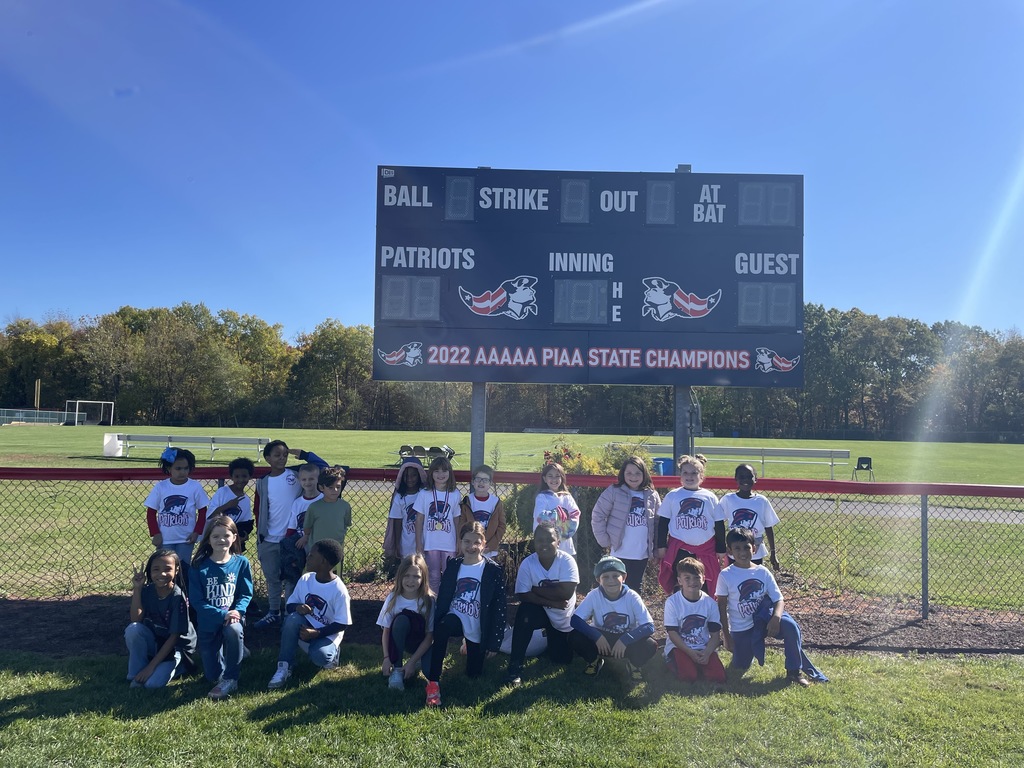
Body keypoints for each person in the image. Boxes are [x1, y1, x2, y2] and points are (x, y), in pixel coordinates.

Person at [716, 527, 820, 687]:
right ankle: (748, 650)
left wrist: (776, 618)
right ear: (729, 551)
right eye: (737, 548)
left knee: (791, 626)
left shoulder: (762, 572)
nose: (742, 552)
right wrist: (726, 635)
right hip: (742, 627)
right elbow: (721, 606)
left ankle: (794, 672)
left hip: (765, 620)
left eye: (746, 547)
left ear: (754, 548)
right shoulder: (726, 575)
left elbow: (778, 599)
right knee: (741, 665)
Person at [424, 522, 507, 706]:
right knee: (443, 628)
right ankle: (433, 683)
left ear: (484, 543)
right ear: (460, 543)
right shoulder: (453, 565)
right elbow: (445, 595)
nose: (471, 547)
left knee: (474, 674)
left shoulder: (492, 570)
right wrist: (437, 622)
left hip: (477, 622)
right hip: (456, 616)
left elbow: (499, 607)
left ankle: (469, 644)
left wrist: (494, 642)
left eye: (477, 542)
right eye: (467, 542)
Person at [252, 440, 328, 629]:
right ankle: (273, 612)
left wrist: (303, 454)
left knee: (292, 578)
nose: (282, 458)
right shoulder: (263, 481)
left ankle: (289, 614)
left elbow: (323, 468)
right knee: (272, 578)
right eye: (277, 455)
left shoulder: (295, 475)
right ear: (268, 458)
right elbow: (258, 508)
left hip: (292, 539)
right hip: (269, 538)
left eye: (285, 455)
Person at [267, 538, 351, 689]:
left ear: (323, 562)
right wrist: (298, 607)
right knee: (292, 620)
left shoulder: (339, 590)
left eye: (312, 555)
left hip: (326, 632)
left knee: (320, 657)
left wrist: (316, 633)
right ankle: (284, 666)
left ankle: (330, 652)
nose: (307, 557)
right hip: (306, 624)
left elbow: (342, 623)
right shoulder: (306, 579)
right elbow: (291, 605)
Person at [505, 522, 579, 686]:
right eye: (540, 540)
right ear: (534, 543)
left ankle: (550, 642)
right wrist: (551, 601)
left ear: (558, 542)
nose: (544, 544)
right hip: (541, 611)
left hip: (562, 619)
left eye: (549, 540)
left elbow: (566, 593)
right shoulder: (528, 563)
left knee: (561, 660)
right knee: (525, 612)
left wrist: (534, 589)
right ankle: (515, 667)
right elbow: (523, 595)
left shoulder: (567, 561)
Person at [189, 516, 253, 700]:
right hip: (209, 623)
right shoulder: (199, 566)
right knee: (212, 676)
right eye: (215, 536)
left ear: (235, 537)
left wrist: (237, 612)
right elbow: (197, 601)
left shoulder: (241, 563)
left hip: (232, 620)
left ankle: (232, 678)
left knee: (233, 630)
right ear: (208, 538)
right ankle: (235, 651)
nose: (221, 540)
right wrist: (222, 614)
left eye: (226, 535)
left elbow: (245, 594)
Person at [569, 556, 657, 682]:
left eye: (616, 575)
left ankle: (633, 665)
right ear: (598, 579)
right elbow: (575, 620)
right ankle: (594, 661)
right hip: (601, 638)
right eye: (605, 577)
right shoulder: (594, 595)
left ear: (624, 577)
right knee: (574, 636)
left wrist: (625, 639)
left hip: (625, 640)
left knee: (650, 645)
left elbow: (649, 626)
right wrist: (596, 636)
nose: (611, 580)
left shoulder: (632, 596)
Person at [655, 454, 726, 595]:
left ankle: (703, 611)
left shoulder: (710, 497)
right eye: (685, 473)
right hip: (680, 548)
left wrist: (721, 548)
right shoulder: (673, 496)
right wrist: (661, 546)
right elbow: (663, 523)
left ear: (701, 475)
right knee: (682, 581)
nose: (690, 476)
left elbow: (719, 525)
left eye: (694, 473)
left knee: (703, 582)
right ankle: (681, 611)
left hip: (706, 549)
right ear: (680, 475)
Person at [125, 548, 196, 688]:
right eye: (156, 569)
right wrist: (137, 589)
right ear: (150, 572)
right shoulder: (147, 590)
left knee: (152, 685)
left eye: (167, 569)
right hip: (157, 641)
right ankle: (135, 674)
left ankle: (180, 665)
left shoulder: (177, 597)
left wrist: (150, 668)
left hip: (175, 647)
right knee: (133, 630)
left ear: (176, 571)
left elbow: (174, 637)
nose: (161, 574)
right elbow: (136, 620)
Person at [590, 456, 661, 592]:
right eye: (629, 473)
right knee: (617, 588)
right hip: (619, 551)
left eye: (637, 473)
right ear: (623, 474)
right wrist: (604, 540)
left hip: (641, 553)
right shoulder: (614, 491)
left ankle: (633, 613)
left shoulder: (652, 495)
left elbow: (657, 523)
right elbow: (598, 514)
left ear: (644, 474)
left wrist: (656, 547)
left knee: (635, 588)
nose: (633, 477)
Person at [144, 447, 209, 572]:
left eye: (186, 468)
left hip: (186, 539)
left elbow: (203, 511)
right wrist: (156, 533)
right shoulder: (161, 487)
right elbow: (151, 513)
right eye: (178, 468)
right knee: (166, 568)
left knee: (183, 569)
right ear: (169, 468)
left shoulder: (194, 487)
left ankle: (182, 591)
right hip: (165, 539)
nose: (182, 472)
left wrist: (197, 532)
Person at [663, 557, 725, 684]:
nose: (693, 581)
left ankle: (699, 665)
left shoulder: (710, 603)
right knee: (689, 677)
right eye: (687, 578)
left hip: (703, 647)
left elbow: (715, 635)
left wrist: (707, 653)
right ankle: (671, 660)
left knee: (719, 677)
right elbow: (672, 634)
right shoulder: (672, 602)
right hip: (680, 647)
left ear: (703, 578)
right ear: (679, 581)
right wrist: (690, 653)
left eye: (697, 577)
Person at [377, 553, 434, 691]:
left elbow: (429, 637)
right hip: (402, 640)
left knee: (431, 672)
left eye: (416, 576)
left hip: (421, 643)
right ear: (400, 576)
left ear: (423, 578)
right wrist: (386, 658)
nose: (411, 581)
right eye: (407, 576)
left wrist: (412, 662)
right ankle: (397, 670)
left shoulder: (428, 601)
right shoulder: (393, 598)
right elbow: (386, 631)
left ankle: (417, 662)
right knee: (401, 620)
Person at [717, 464, 781, 570]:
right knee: (735, 577)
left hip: (755, 550)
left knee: (754, 576)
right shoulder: (728, 499)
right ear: (736, 479)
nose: (745, 480)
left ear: (755, 479)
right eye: (741, 477)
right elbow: (718, 523)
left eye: (749, 476)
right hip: (735, 550)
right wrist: (722, 547)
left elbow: (768, 527)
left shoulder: (761, 501)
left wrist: (773, 552)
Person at [414, 456, 462, 595]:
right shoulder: (424, 494)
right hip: (430, 543)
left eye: (444, 471)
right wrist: (418, 543)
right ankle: (433, 606)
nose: (441, 475)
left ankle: (446, 606)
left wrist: (459, 540)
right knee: (433, 576)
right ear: (431, 474)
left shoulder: (454, 494)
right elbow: (419, 519)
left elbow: (456, 519)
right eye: (437, 471)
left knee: (449, 576)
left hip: (449, 543)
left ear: (450, 473)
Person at [280, 463, 324, 597]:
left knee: (315, 576)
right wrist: (288, 544)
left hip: (317, 544)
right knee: (293, 575)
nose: (308, 482)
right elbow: (292, 527)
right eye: (304, 479)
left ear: (318, 480)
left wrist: (307, 536)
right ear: (299, 481)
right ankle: (291, 609)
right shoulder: (298, 502)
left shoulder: (323, 499)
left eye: (311, 479)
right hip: (300, 544)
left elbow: (322, 524)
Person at [301, 466, 352, 569]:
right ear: (321, 488)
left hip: (336, 551)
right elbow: (307, 528)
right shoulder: (314, 507)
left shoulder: (345, 506)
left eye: (338, 486)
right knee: (313, 577)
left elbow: (346, 524)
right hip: (317, 552)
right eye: (330, 487)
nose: (335, 490)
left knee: (334, 577)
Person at [458, 464, 507, 559]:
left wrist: (491, 545)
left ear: (491, 483)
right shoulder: (467, 501)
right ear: (472, 482)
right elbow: (462, 525)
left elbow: (502, 526)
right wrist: (468, 543)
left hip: (489, 550)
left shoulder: (496, 502)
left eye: (485, 480)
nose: (481, 482)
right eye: (478, 479)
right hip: (471, 548)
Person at [532, 462, 581, 557]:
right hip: (548, 546)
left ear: (562, 478)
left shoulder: (567, 497)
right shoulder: (542, 497)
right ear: (544, 479)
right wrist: (557, 516)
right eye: (550, 476)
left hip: (566, 546)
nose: (554, 479)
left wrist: (566, 530)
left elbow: (575, 514)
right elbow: (539, 516)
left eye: (557, 476)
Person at [384, 457, 427, 565]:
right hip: (406, 543)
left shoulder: (424, 493)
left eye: (414, 475)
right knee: (407, 569)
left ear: (419, 475)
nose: (410, 479)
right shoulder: (399, 497)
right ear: (401, 476)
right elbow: (397, 522)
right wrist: (397, 545)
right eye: (406, 475)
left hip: (424, 542)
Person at [207, 457, 255, 550]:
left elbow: (245, 523)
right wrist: (227, 506)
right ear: (231, 477)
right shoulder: (223, 492)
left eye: (244, 476)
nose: (240, 479)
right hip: (216, 539)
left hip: (233, 540)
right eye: (237, 476)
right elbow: (210, 516)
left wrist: (243, 535)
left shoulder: (246, 500)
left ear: (250, 477)